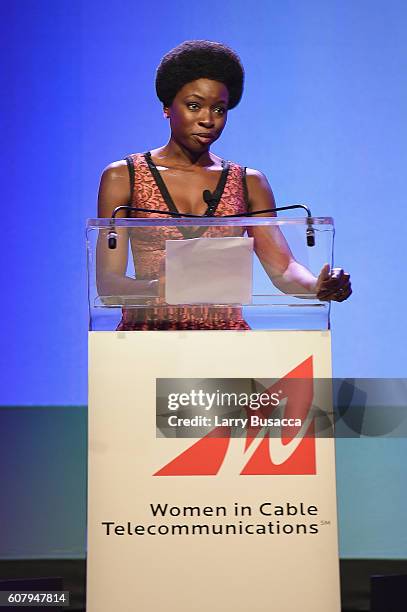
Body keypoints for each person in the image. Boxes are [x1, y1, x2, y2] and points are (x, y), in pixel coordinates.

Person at [97, 40, 352, 330]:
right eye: (194, 106)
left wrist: (316, 285)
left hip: (225, 347)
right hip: (148, 342)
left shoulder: (248, 183)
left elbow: (283, 269)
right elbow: (108, 285)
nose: (208, 120)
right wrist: (157, 288)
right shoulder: (124, 176)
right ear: (167, 107)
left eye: (219, 110)